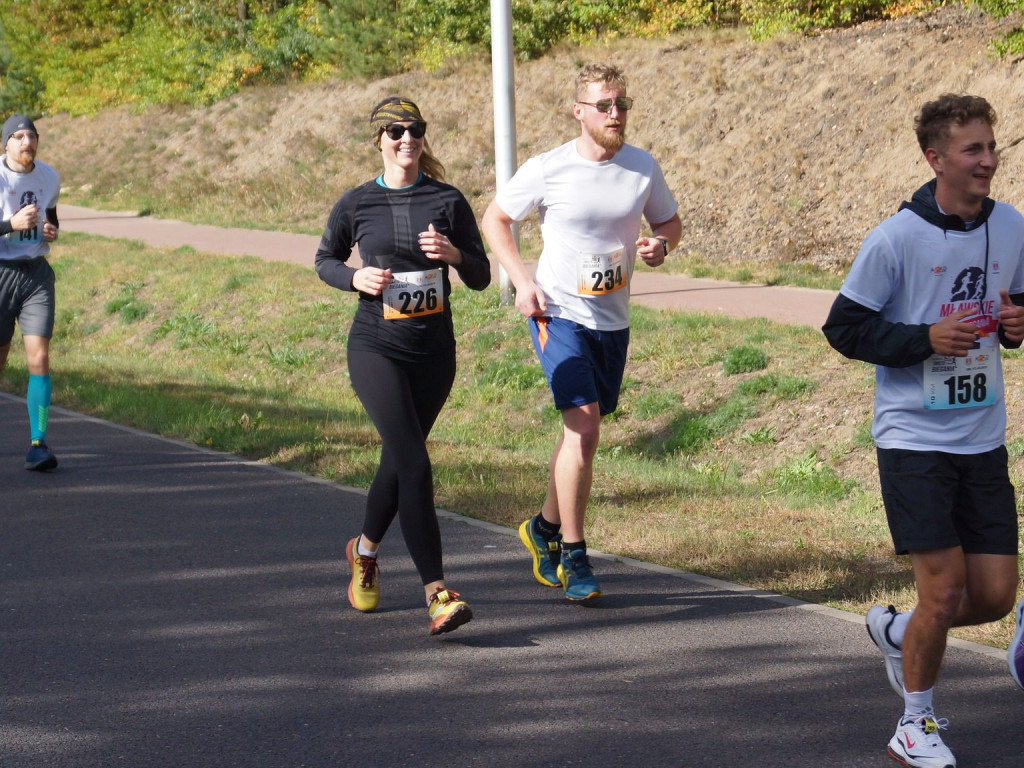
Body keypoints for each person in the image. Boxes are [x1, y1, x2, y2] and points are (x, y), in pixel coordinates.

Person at [823, 93, 1024, 768]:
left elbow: (1016, 300)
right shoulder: (894, 239)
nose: (988, 161)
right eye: (973, 150)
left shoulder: (1014, 226)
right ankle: (914, 726)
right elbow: (843, 329)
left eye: (992, 147)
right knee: (942, 590)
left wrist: (1020, 323)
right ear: (935, 158)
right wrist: (922, 337)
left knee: (994, 596)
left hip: (982, 438)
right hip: (914, 440)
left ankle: (901, 633)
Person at [481, 64, 681, 602]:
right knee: (585, 428)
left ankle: (541, 529)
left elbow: (669, 223)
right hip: (557, 312)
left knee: (580, 437)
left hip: (612, 320)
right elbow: (495, 219)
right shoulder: (549, 169)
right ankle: (574, 554)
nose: (615, 114)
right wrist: (521, 281)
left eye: (621, 104)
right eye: (604, 105)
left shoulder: (642, 168)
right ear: (579, 111)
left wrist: (661, 245)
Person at [315, 97, 490, 635]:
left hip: (435, 353)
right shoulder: (357, 203)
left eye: (415, 130)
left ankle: (364, 551)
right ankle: (437, 592)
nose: (407, 139)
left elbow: (483, 275)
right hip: (376, 348)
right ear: (379, 140)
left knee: (399, 460)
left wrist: (455, 255)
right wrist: (354, 279)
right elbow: (325, 260)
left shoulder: (446, 199)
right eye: (396, 131)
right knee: (416, 465)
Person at [0, 113, 60, 471]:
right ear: (5, 144)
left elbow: (51, 214)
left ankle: (38, 443)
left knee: (39, 357)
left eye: (32, 136)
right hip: (1, 273)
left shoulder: (49, 176)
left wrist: (51, 229)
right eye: (19, 136)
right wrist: (11, 224)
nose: (27, 142)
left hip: (36, 273)